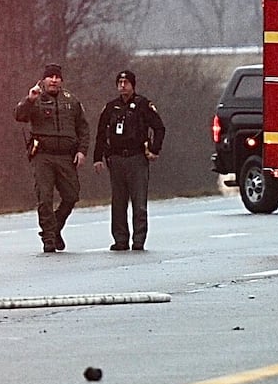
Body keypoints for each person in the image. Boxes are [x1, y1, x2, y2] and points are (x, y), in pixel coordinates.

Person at [14, 62, 88, 253]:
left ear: (61, 80)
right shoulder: (36, 97)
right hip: (43, 156)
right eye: (50, 77)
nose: (54, 81)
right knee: (45, 198)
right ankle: (48, 238)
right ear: (44, 79)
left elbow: (83, 128)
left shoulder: (71, 101)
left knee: (72, 195)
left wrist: (82, 150)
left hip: (66, 155)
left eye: (57, 77)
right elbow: (19, 116)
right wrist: (29, 100)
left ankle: (55, 228)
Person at [93, 69, 166, 251]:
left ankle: (139, 240)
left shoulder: (143, 105)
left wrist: (154, 150)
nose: (122, 86)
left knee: (139, 203)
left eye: (126, 83)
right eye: (120, 83)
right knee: (118, 203)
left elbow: (159, 127)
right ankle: (120, 239)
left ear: (133, 85)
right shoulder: (111, 107)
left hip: (137, 158)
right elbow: (101, 133)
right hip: (116, 158)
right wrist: (98, 157)